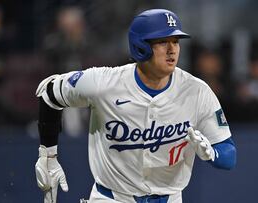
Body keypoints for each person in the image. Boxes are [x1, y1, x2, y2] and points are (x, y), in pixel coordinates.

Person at [34, 9, 236, 203]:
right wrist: (48, 155)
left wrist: (212, 154)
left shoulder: (196, 91)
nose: (172, 49)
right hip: (112, 198)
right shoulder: (104, 83)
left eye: (175, 41)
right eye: (162, 42)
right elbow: (49, 92)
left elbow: (229, 155)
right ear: (141, 46)